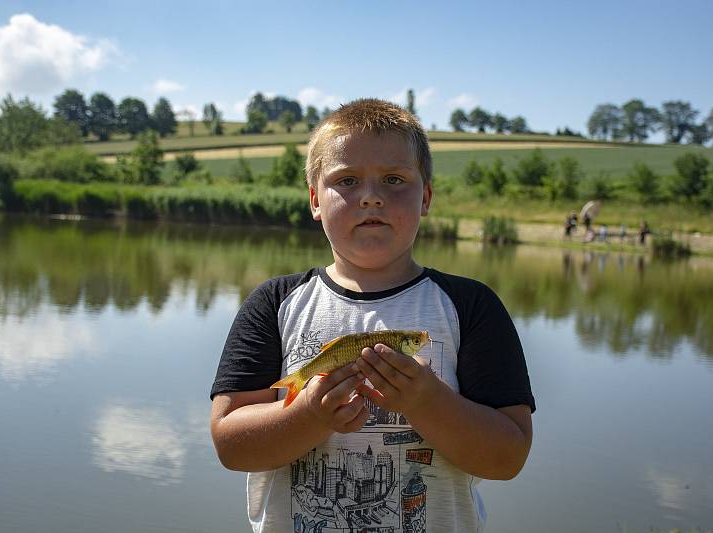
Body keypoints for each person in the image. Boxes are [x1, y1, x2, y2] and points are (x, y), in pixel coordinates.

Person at [209, 99, 535, 532]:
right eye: (346, 180)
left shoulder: (470, 306)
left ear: (426, 197)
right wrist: (308, 414)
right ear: (315, 200)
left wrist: (426, 401)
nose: (371, 196)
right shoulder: (275, 303)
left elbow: (507, 458)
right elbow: (231, 447)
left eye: (395, 179)